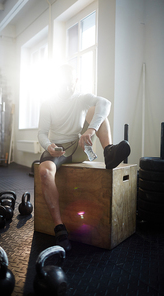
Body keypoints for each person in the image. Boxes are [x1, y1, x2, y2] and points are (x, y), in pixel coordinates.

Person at [37, 64, 130, 252]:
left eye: (70, 83)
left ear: (76, 81)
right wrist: (49, 146)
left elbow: (106, 103)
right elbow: (41, 133)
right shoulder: (47, 103)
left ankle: (109, 152)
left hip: (78, 147)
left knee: (98, 110)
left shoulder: (80, 98)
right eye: (62, 83)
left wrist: (90, 129)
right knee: (45, 173)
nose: (67, 87)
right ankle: (59, 228)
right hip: (56, 150)